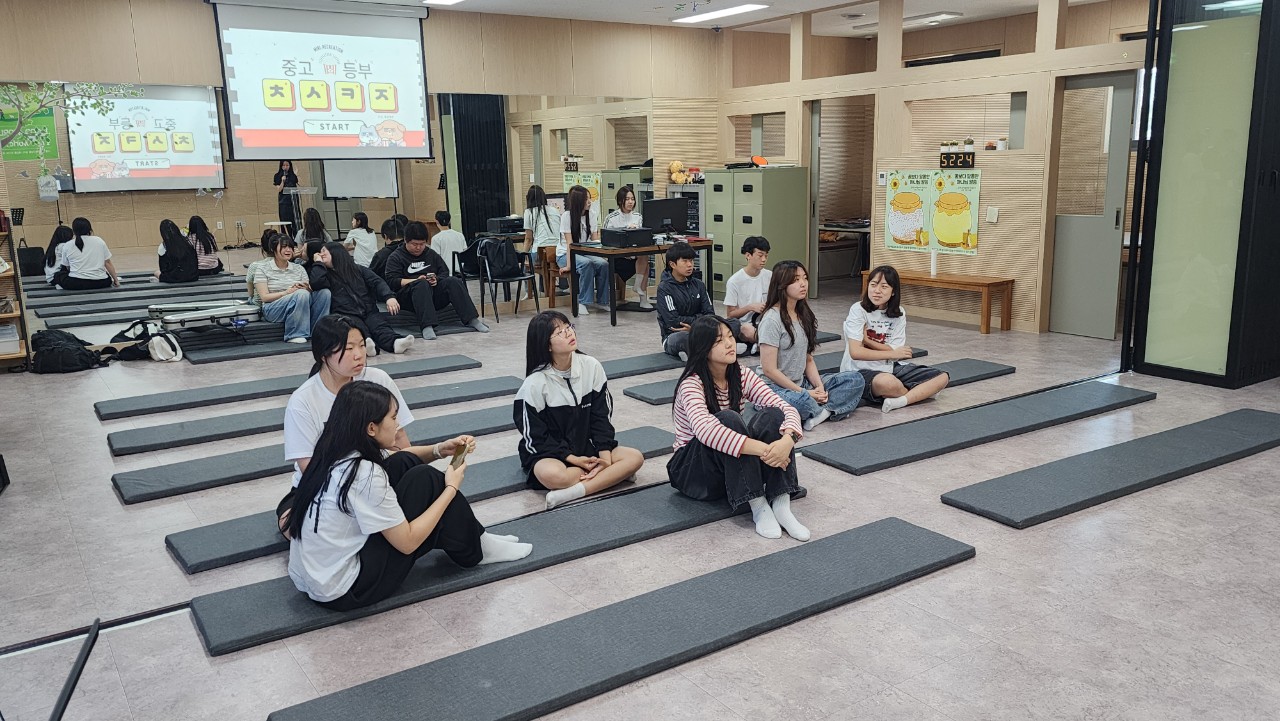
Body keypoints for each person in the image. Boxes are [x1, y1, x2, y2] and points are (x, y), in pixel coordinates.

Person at [285, 380, 532, 609]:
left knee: (402, 462)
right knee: (427, 480)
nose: (397, 424)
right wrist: (450, 488)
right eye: (393, 418)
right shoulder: (364, 473)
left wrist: (440, 449)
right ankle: (477, 549)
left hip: (316, 578)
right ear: (371, 428)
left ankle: (477, 539)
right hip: (348, 589)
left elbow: (397, 457)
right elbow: (408, 543)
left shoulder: (332, 453)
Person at [668, 315, 809, 541]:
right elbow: (706, 432)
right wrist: (767, 451)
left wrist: (787, 441)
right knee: (728, 419)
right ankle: (759, 507)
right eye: (718, 341)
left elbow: (785, 408)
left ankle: (781, 504)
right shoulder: (691, 384)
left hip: (728, 466)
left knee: (773, 415)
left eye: (730, 337)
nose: (729, 344)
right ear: (703, 348)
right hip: (693, 472)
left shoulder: (741, 374)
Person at [276, 315, 420, 533]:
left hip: (377, 474)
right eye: (349, 348)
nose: (359, 354)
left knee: (416, 479)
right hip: (325, 485)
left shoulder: (377, 379)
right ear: (324, 354)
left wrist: (411, 466)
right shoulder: (303, 400)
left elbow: (399, 437)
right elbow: (309, 466)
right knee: (291, 525)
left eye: (361, 345)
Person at [514, 311, 645, 509]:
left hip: (587, 447)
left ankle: (574, 492)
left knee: (635, 458)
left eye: (569, 327)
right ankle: (611, 477)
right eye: (559, 332)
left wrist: (605, 459)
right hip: (552, 454)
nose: (569, 333)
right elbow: (535, 437)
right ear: (547, 345)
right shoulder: (534, 384)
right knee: (553, 476)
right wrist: (573, 459)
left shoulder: (591, 366)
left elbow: (601, 418)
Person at [757, 261, 865, 431]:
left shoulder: (803, 314)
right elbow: (769, 370)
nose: (803, 284)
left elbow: (808, 359)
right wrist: (804, 393)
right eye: (796, 280)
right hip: (774, 389)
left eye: (805, 278)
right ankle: (827, 409)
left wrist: (818, 387)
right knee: (803, 403)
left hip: (802, 384)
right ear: (781, 285)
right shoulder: (771, 319)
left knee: (856, 380)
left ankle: (822, 413)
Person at [841, 264, 949, 413]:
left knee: (942, 377)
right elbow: (856, 352)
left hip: (889, 367)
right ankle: (917, 394)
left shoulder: (899, 313)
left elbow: (895, 351)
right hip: (858, 371)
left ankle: (900, 401)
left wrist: (867, 341)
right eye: (873, 285)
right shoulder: (858, 309)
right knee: (888, 383)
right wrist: (892, 353)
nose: (877, 290)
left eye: (884, 286)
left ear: (893, 292)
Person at [383, 221, 489, 340]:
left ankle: (472, 319)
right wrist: (415, 280)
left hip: (432, 294)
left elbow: (444, 272)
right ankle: (427, 326)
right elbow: (392, 281)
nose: (418, 247)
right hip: (408, 298)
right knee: (421, 284)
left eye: (422, 244)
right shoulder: (396, 257)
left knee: (453, 281)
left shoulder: (430, 254)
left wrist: (436, 279)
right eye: (414, 244)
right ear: (405, 241)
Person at [308, 242, 414, 355]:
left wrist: (389, 297)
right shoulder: (323, 273)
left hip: (369, 309)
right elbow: (316, 283)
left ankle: (395, 343)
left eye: (324, 251)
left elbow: (377, 282)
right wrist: (318, 263)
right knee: (358, 329)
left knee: (380, 326)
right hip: (346, 312)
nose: (321, 254)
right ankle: (367, 345)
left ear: (336, 253)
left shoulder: (357, 269)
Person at [656, 241, 745, 360]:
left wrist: (695, 328)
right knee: (683, 338)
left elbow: (710, 313)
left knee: (733, 323)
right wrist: (699, 323)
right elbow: (673, 321)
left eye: (691, 261)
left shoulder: (699, 285)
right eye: (685, 261)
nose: (690, 265)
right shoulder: (664, 288)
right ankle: (721, 347)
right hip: (675, 334)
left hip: (702, 331)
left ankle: (697, 351)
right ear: (672, 264)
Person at [248, 232, 331, 343]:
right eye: (283, 247)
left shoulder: (299, 268)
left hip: (300, 301)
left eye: (290, 247)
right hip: (272, 308)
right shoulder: (262, 268)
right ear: (273, 249)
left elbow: (307, 292)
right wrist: (287, 292)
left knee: (324, 293)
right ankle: (294, 334)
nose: (288, 250)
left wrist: (307, 288)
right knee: (301, 294)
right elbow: (264, 297)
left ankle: (318, 331)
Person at [559, 184, 607, 313]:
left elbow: (595, 240)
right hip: (565, 254)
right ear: (578, 201)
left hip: (585, 252)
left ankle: (603, 301)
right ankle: (583, 302)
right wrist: (569, 266)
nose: (589, 202)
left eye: (589, 198)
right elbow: (569, 244)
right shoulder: (566, 216)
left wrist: (602, 254)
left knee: (603, 264)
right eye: (586, 199)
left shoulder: (592, 214)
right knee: (587, 264)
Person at [602, 185, 648, 309]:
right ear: (620, 200)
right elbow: (606, 240)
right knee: (643, 262)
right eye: (627, 199)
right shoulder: (611, 218)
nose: (630, 202)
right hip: (618, 258)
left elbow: (643, 238)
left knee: (645, 257)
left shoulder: (638, 216)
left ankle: (641, 295)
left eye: (632, 199)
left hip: (635, 256)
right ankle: (638, 290)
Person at [723, 236, 772, 348]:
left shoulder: (770, 276)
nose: (764, 259)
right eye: (760, 255)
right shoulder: (734, 281)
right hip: (745, 324)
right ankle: (766, 344)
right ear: (748, 255)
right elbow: (730, 315)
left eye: (766, 256)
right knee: (747, 330)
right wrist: (750, 307)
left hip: (766, 320)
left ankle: (760, 345)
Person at [55, 217, 120, 290]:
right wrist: (116, 280)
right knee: (104, 274)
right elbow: (107, 263)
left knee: (58, 275)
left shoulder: (68, 245)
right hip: (101, 282)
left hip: (76, 283)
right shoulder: (99, 241)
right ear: (90, 229)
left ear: (73, 231)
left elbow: (67, 267)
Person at [523, 184, 560, 300]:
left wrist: (524, 256)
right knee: (547, 260)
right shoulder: (555, 210)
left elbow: (528, 239)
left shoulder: (529, 212)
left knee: (525, 265)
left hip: (540, 252)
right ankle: (560, 288)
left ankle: (529, 293)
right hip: (556, 251)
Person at [154, 219, 199, 284]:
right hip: (192, 276)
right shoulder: (187, 242)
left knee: (156, 272)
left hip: (175, 278)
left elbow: (163, 269)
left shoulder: (163, 246)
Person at [273, 160, 299, 230]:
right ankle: (286, 234)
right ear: (281, 166)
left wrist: (296, 175)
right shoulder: (277, 176)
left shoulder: (293, 176)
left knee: (295, 220)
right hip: (283, 202)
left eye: (287, 165)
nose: (285, 167)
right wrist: (282, 181)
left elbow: (296, 187)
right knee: (285, 220)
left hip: (293, 201)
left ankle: (296, 234)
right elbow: (279, 189)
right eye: (283, 165)